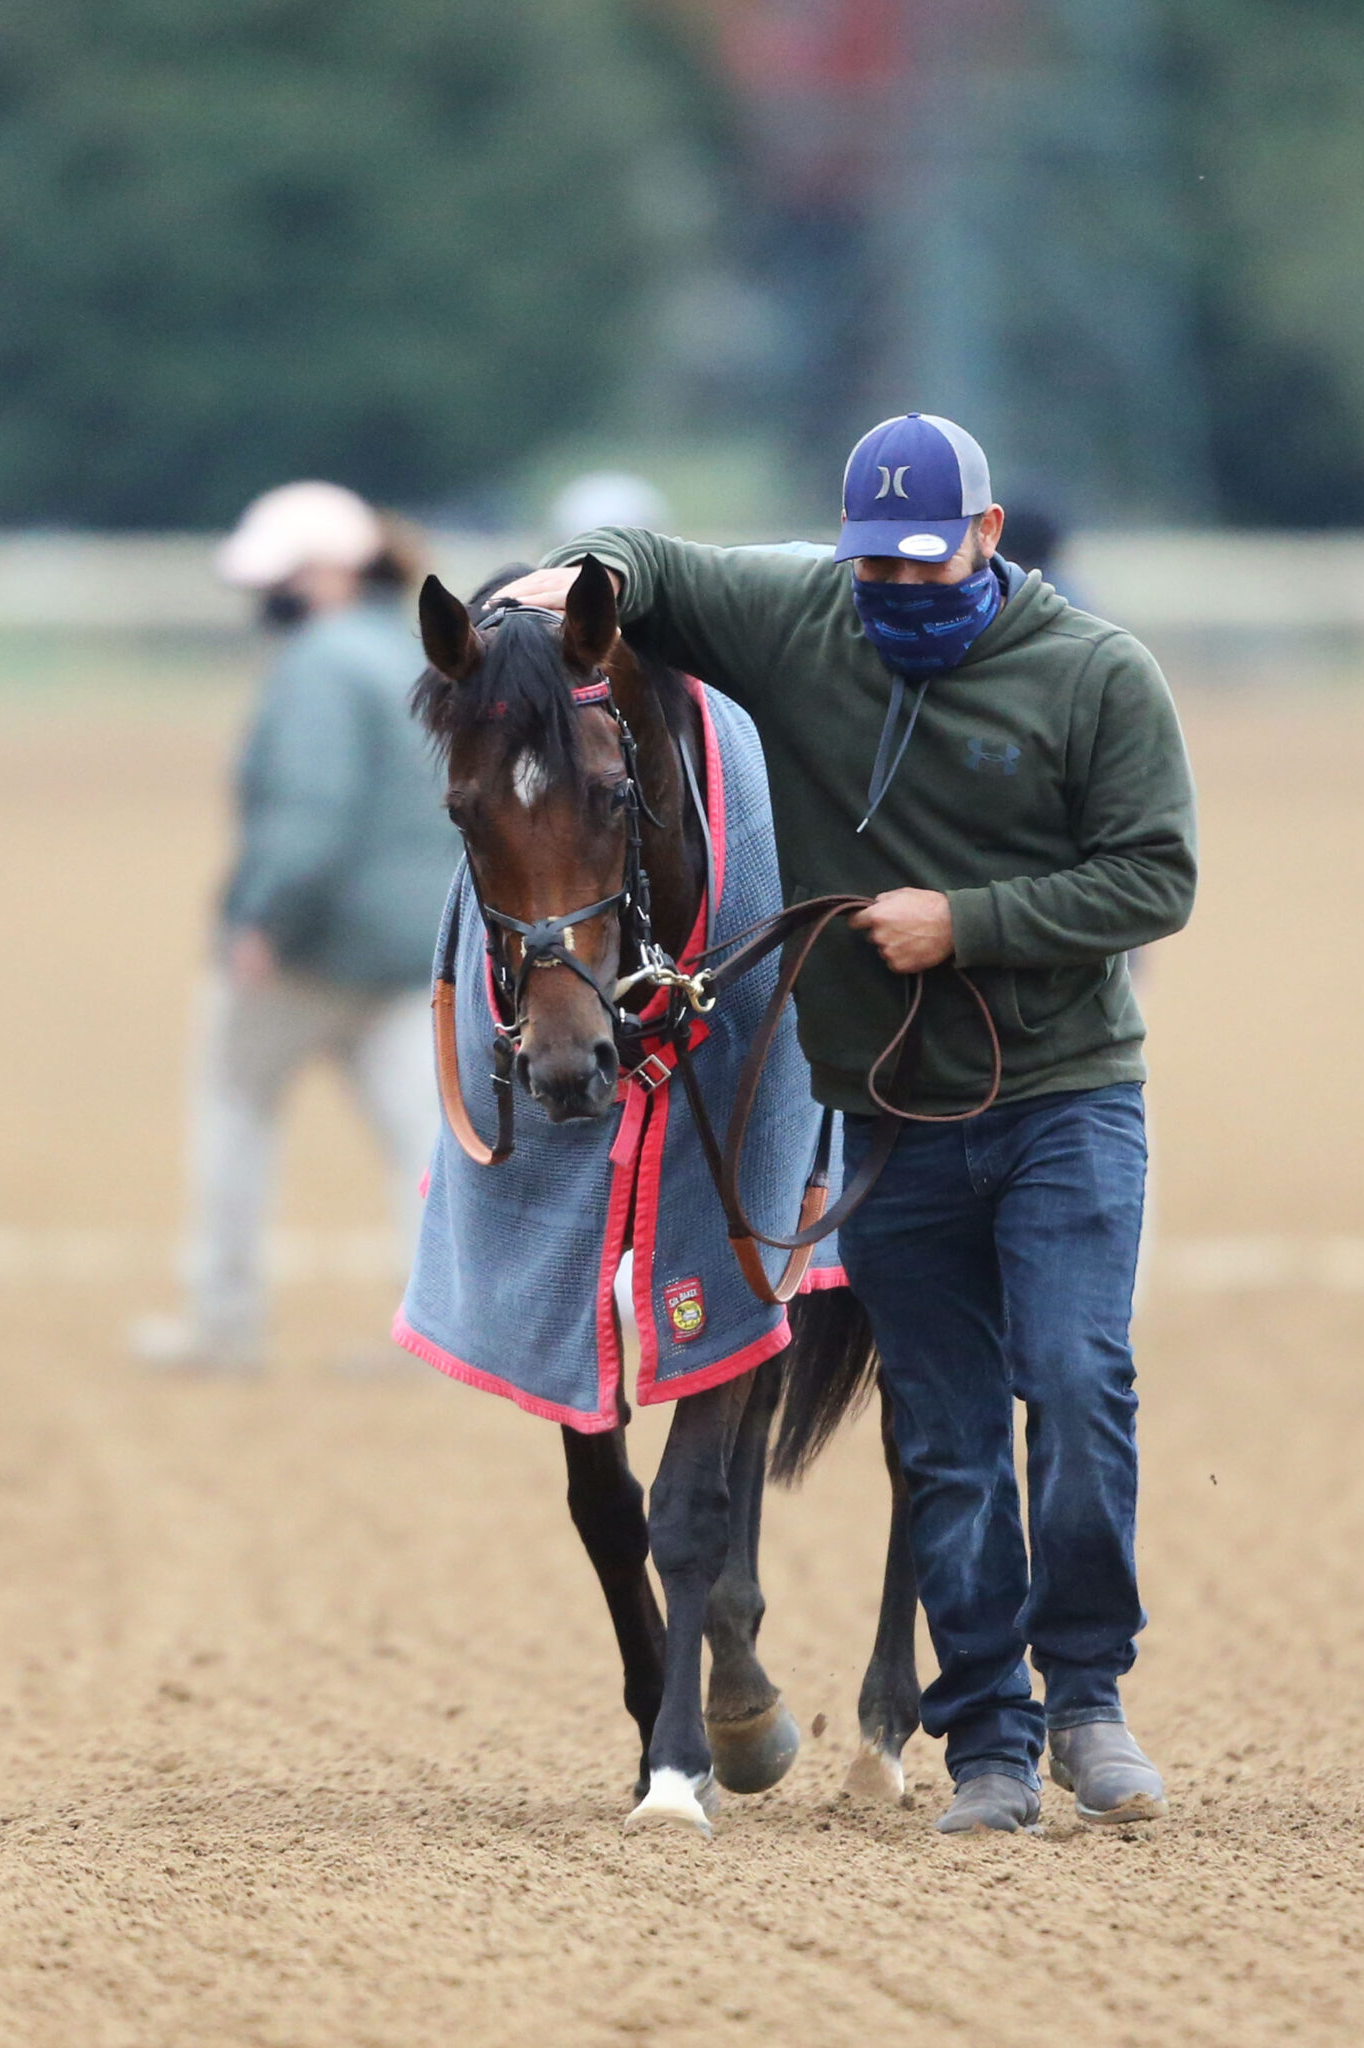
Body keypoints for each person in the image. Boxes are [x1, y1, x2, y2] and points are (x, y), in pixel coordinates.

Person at [496, 413, 1198, 1833]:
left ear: (988, 541)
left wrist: (971, 925)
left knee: (1071, 1385)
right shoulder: (811, 615)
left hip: (1066, 1099)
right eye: (876, 569)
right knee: (941, 1434)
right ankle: (988, 1741)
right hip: (888, 1116)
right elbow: (646, 566)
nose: (899, 593)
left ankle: (1089, 1702)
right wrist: (550, 583)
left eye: (928, 568)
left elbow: (1157, 880)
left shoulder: (1099, 675)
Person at [130, 483, 454, 1375]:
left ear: (325, 572)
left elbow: (311, 815)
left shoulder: (319, 663)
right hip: (412, 948)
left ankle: (220, 1323)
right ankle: (435, 1332)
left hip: (310, 950)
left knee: (236, 1116)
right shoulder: (414, 655)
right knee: (423, 1152)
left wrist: (261, 916)